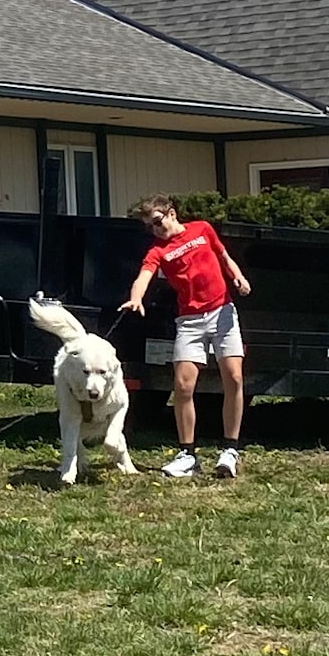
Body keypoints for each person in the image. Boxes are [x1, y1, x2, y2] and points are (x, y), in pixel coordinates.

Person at [121, 197, 250, 479]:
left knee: (235, 378)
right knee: (182, 386)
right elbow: (144, 276)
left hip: (222, 312)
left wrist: (238, 277)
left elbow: (224, 257)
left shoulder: (202, 229)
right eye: (149, 227)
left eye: (157, 222)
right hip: (189, 321)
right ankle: (187, 454)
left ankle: (230, 449)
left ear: (172, 213)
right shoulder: (158, 250)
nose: (155, 229)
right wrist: (135, 298)